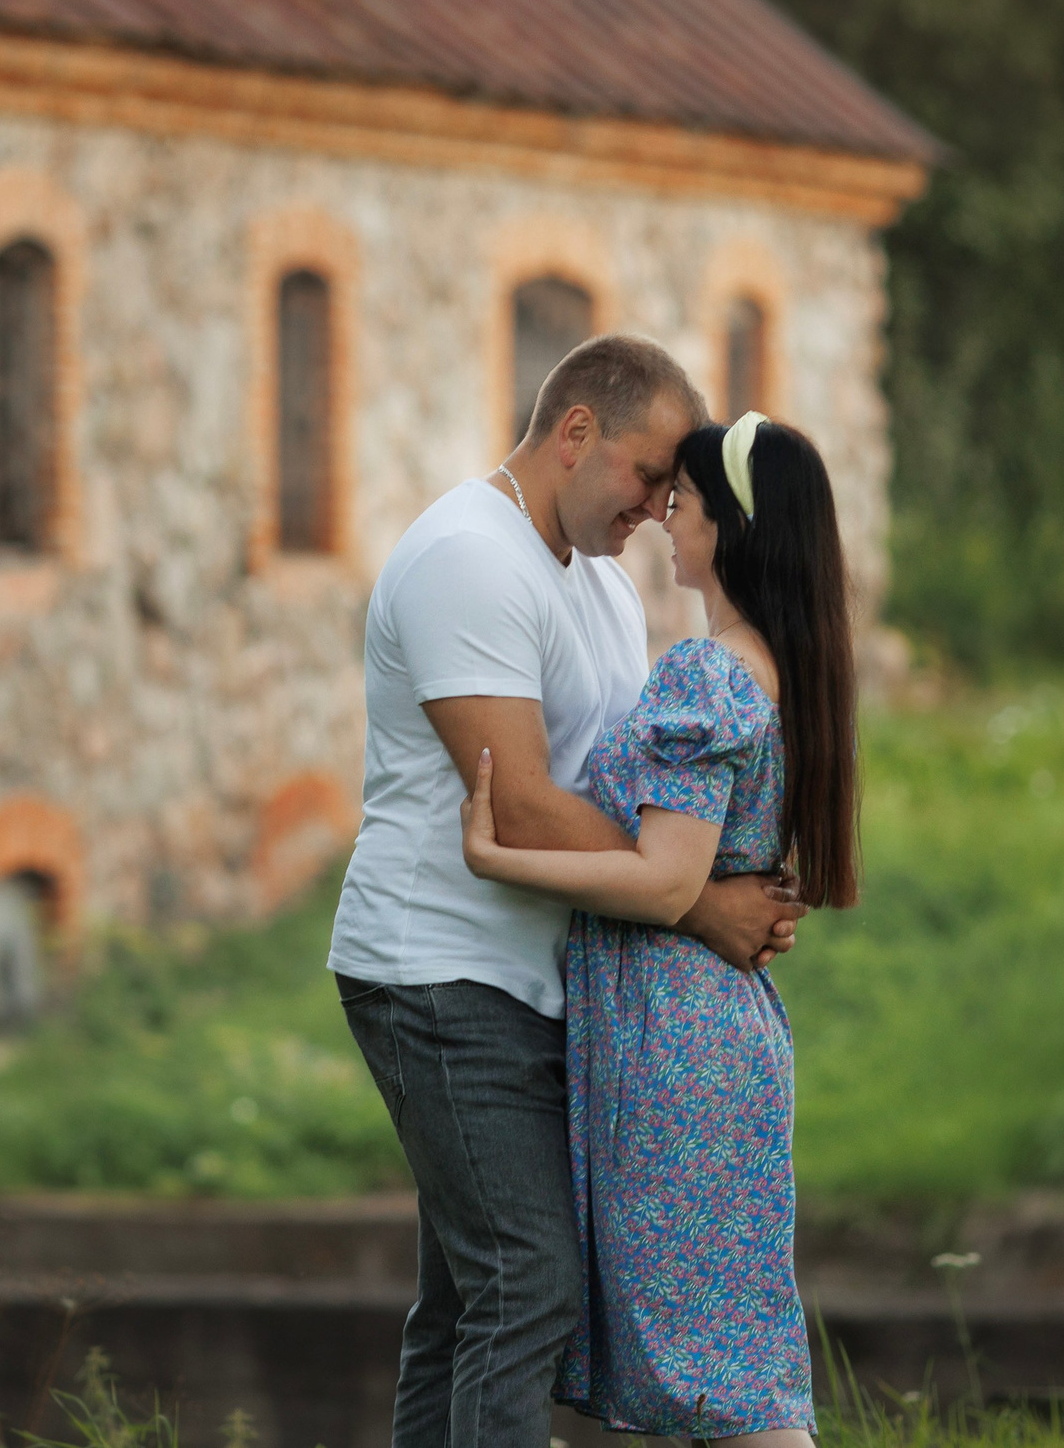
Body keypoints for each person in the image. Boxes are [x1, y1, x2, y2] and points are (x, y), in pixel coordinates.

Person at [330, 338, 808, 1448]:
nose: (658, 504)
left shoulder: (599, 581)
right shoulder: (466, 556)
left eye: (672, 487)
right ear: (575, 433)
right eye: (648, 473)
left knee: (466, 1299)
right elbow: (521, 802)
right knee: (527, 1279)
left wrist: (706, 860)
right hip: (440, 970)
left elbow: (634, 793)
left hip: (541, 978)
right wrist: (701, 902)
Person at [458, 411, 862, 1448]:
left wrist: (501, 857)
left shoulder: (709, 675)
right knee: (726, 1365)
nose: (662, 520)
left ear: (726, 526)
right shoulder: (784, 669)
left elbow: (667, 876)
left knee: (721, 1380)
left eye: (680, 501)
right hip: (716, 1032)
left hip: (675, 1042)